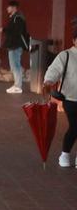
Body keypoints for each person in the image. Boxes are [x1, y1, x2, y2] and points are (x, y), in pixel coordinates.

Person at [43, 26, 77, 168]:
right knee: (75, 127)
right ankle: (65, 153)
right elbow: (54, 70)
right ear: (74, 40)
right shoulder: (66, 55)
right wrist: (49, 81)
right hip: (70, 99)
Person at [3, 0, 30, 94]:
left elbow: (16, 32)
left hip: (15, 45)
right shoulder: (15, 17)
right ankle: (17, 84)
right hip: (13, 45)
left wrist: (5, 30)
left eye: (9, 7)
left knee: (16, 65)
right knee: (14, 65)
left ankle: (18, 86)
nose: (7, 8)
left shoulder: (18, 18)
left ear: (14, 7)